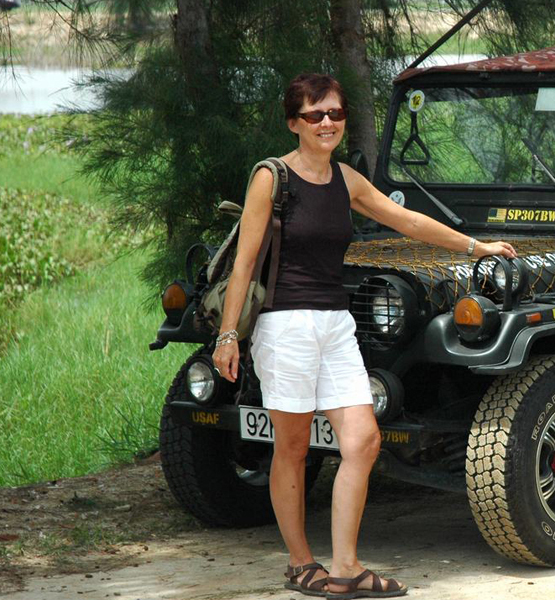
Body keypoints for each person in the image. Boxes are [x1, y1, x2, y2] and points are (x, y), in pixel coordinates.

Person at [212, 73, 516, 598]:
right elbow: (243, 264)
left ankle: (346, 569)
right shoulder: (272, 177)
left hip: (335, 323)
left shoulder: (346, 180)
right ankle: (301, 562)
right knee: (291, 447)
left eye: (334, 113)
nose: (326, 123)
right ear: (295, 123)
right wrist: (226, 337)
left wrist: (476, 247)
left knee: (363, 440)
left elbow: (408, 221)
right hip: (285, 326)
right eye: (314, 115)